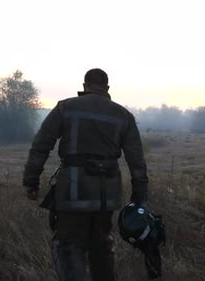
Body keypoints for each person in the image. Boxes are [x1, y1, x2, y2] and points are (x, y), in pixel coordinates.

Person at [23, 68, 149, 281]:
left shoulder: (66, 108)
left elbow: (41, 145)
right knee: (102, 247)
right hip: (107, 195)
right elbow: (137, 160)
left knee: (70, 246)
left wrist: (31, 180)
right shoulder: (123, 115)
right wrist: (139, 196)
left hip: (73, 191)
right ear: (107, 88)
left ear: (85, 86)